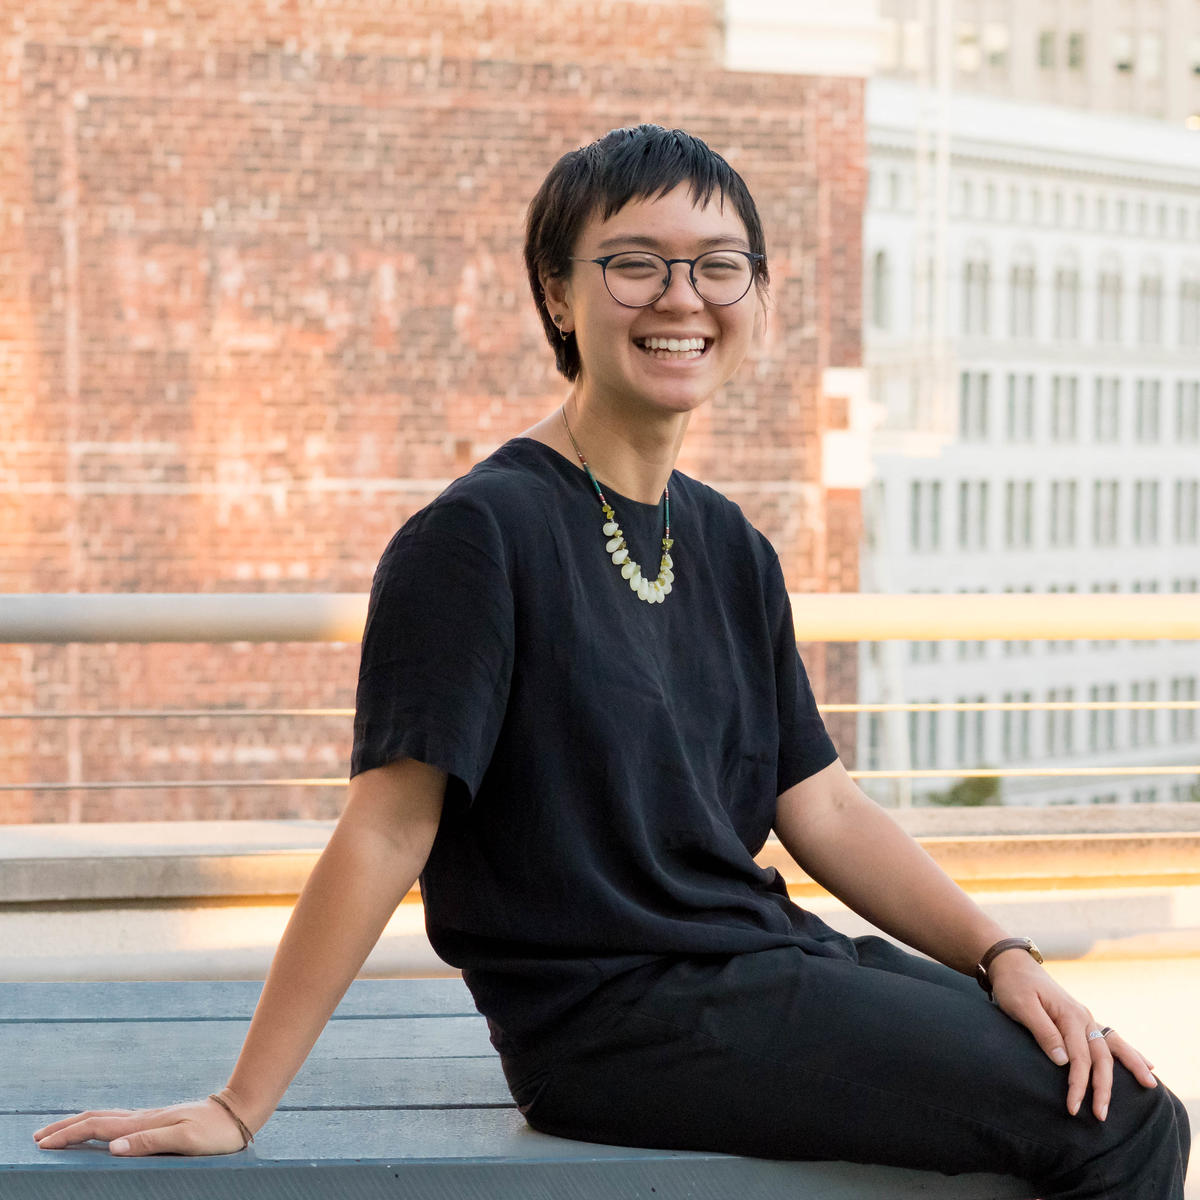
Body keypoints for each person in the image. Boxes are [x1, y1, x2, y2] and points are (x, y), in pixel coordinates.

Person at [34, 124, 1189, 1198]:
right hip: (613, 1020)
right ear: (558, 292)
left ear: (756, 296)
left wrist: (1003, 953)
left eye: (717, 266)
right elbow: (388, 827)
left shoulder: (728, 540)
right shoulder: (477, 537)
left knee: (1116, 1082)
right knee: (1118, 1124)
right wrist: (243, 1104)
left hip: (755, 960)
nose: (680, 298)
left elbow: (824, 807)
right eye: (634, 263)